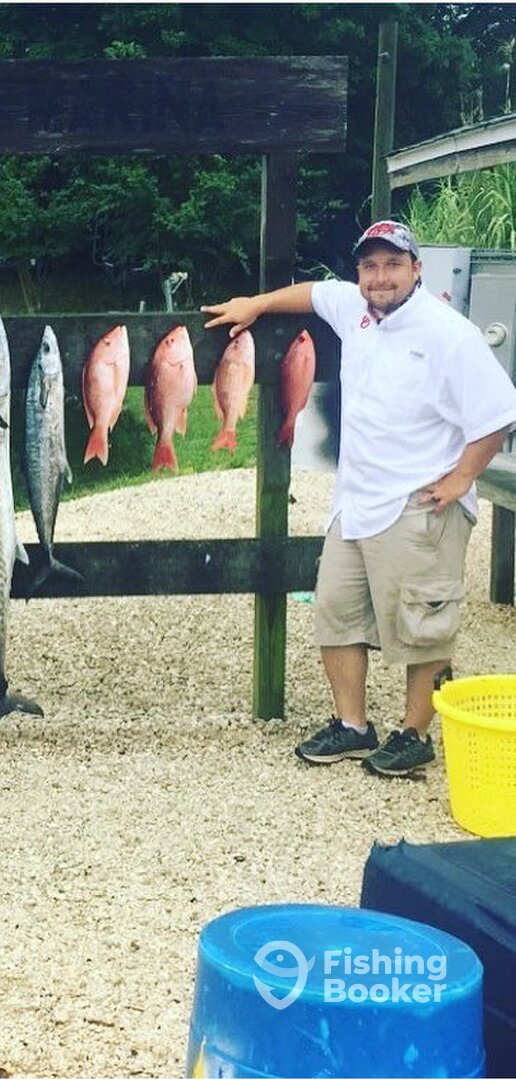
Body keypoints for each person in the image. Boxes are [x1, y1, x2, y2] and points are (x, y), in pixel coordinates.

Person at [203, 219, 516, 776]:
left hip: (421, 503)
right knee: (336, 614)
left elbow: (498, 413)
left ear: (416, 269)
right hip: (355, 501)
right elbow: (312, 293)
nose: (380, 277)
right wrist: (257, 304)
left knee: (423, 626)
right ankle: (352, 726)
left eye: (393, 264)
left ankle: (415, 733)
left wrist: (462, 478)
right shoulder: (354, 308)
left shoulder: (450, 333)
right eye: (370, 266)